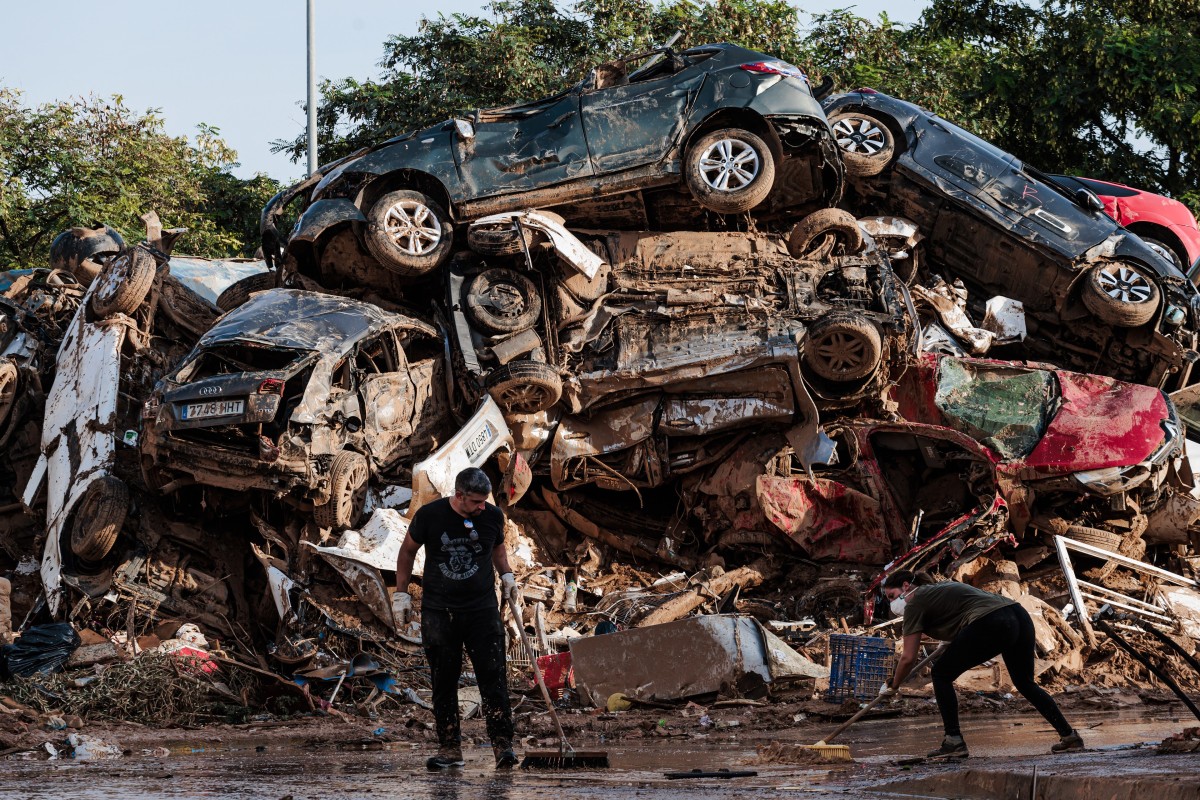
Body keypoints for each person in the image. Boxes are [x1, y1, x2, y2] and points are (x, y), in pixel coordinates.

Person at [393, 467, 521, 770]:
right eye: (476, 501)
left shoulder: (492, 516)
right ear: (459, 495)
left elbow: (497, 550)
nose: (481, 507)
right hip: (440, 612)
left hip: (482, 611)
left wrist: (507, 575)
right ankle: (450, 748)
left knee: (493, 678)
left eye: (484, 501)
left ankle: (503, 746)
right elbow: (407, 551)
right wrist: (401, 594)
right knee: (444, 681)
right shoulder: (430, 515)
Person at [880, 570, 1083, 759]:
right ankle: (1069, 736)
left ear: (906, 586)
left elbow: (908, 657)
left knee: (941, 674)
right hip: (1018, 615)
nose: (892, 603)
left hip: (992, 621)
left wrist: (894, 685)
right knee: (1025, 683)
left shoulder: (915, 602)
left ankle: (953, 741)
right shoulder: (937, 589)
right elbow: (960, 612)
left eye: (891, 596)